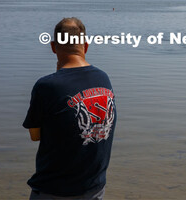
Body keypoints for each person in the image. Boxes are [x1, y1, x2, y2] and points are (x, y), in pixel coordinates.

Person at [23, 17, 116, 200]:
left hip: (55, 190)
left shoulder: (47, 86)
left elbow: (35, 135)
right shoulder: (104, 79)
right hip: (95, 187)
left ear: (53, 47)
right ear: (86, 46)